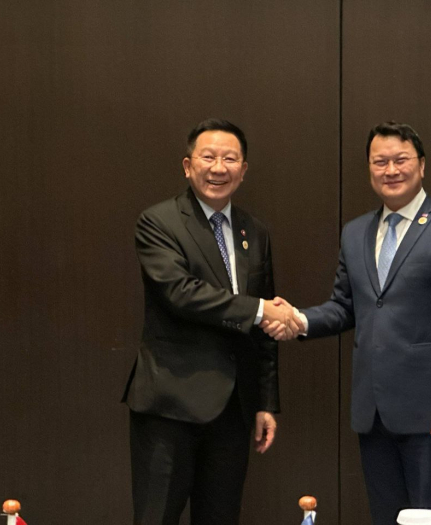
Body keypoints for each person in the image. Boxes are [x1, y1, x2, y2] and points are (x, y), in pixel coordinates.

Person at [264, 121, 431, 525]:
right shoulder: (355, 233)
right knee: (385, 517)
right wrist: (298, 320)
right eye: (380, 162)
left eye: (401, 160)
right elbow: (344, 307)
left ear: (422, 165)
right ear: (369, 169)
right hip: (374, 414)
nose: (391, 170)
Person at [123, 118, 301, 525]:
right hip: (169, 405)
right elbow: (180, 293)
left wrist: (265, 402)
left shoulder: (255, 232)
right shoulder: (158, 222)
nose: (218, 168)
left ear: (243, 170)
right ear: (188, 166)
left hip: (232, 411)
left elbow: (264, 330)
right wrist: (260, 310)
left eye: (230, 159)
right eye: (208, 157)